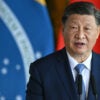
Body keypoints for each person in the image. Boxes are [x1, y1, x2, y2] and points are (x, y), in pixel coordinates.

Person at [26, 1, 100, 100]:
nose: (80, 35)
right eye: (74, 27)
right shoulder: (41, 70)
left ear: (97, 32)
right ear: (63, 29)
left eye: (87, 28)